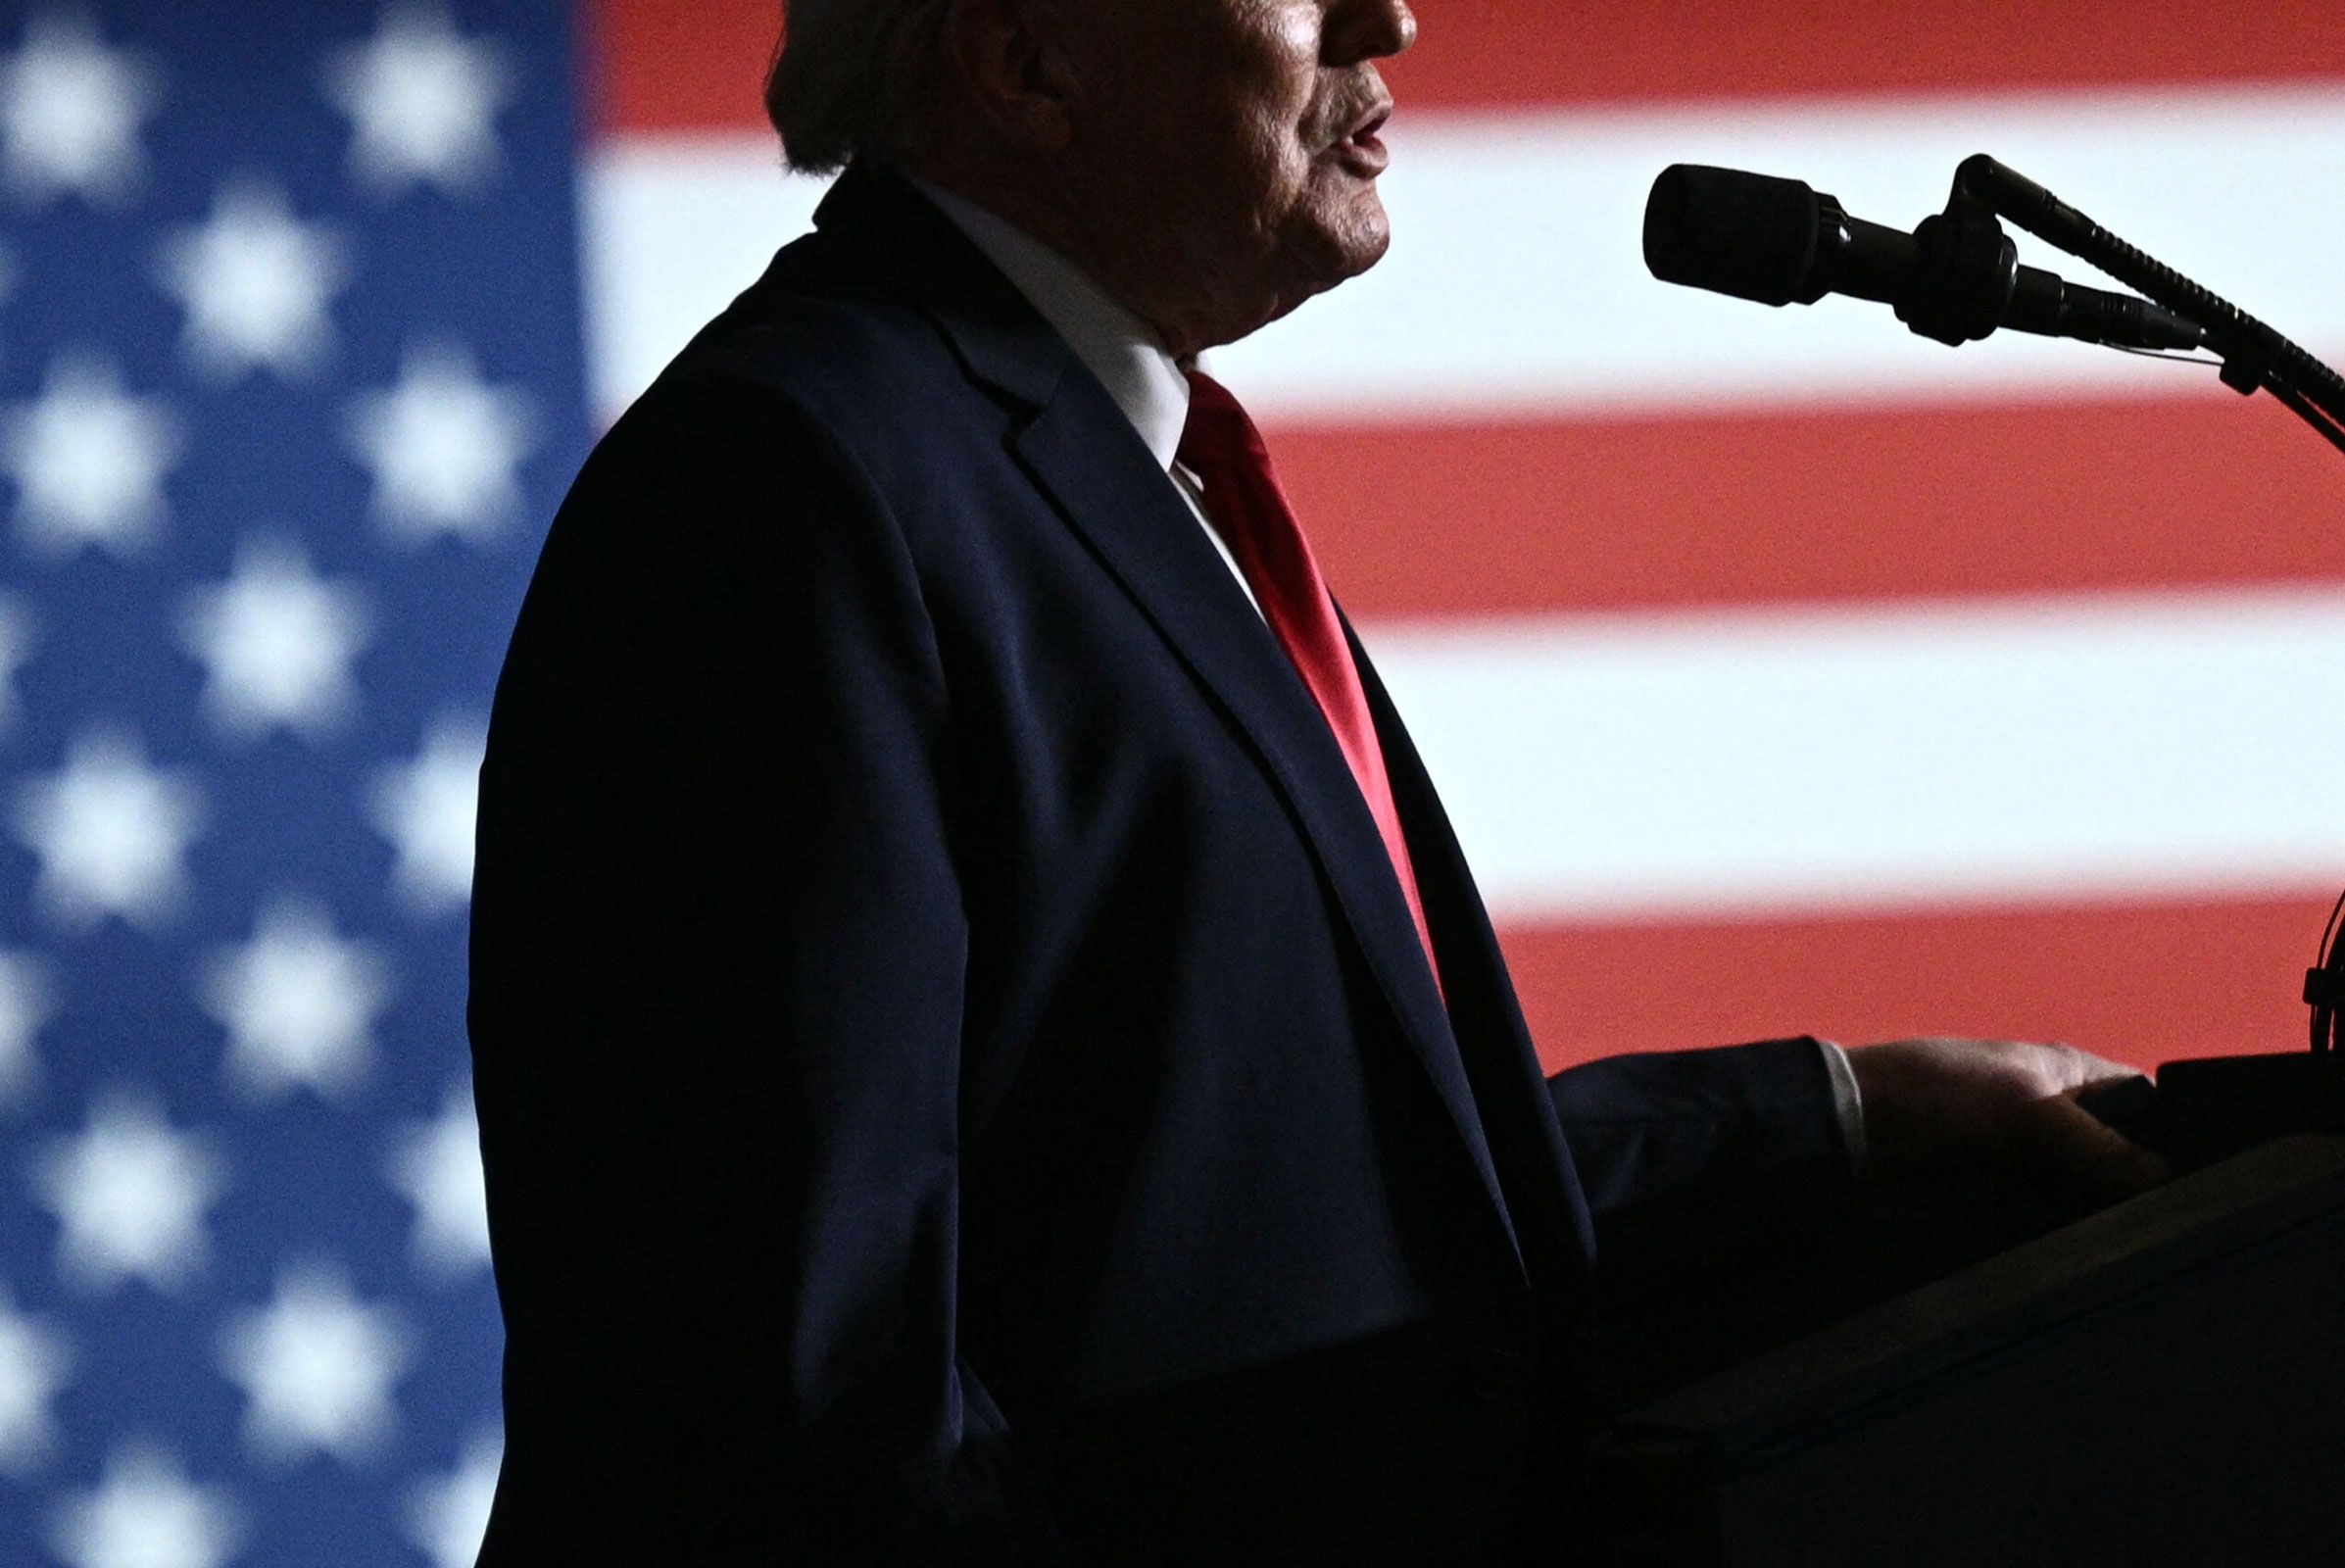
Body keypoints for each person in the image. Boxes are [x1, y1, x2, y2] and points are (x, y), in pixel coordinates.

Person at [465, 2, 2169, 1562]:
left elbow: (1260, 1213)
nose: (1391, 18)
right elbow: (799, 1395)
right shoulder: (791, 490)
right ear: (1025, 63)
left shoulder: (1113, 463)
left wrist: (1850, 1111)